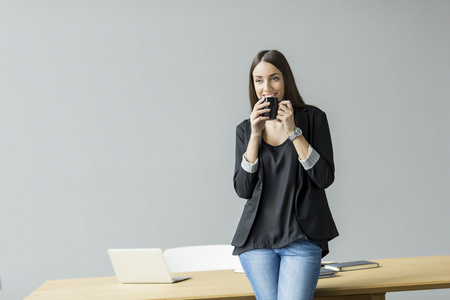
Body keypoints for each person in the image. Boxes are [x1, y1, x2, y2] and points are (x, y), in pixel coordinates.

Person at [231, 50, 339, 300]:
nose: (266, 87)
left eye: (274, 78)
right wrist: (255, 135)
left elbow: (324, 177)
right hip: (256, 243)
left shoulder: (313, 118)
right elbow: (242, 189)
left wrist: (294, 133)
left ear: (286, 79)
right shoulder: (245, 130)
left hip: (300, 239)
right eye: (258, 80)